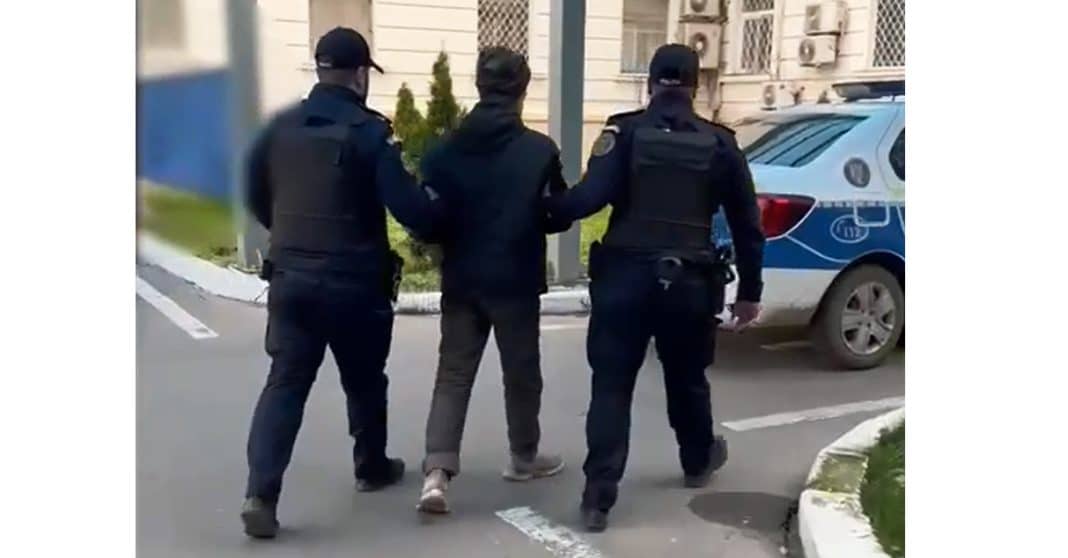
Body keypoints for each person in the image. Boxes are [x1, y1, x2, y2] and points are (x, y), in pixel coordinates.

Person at [543, 44, 766, 532]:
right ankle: (697, 459)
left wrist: (540, 209)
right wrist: (750, 292)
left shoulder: (623, 133)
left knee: (612, 385)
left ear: (649, 83)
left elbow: (586, 200)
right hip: (690, 283)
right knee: (687, 377)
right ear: (695, 85)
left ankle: (598, 498)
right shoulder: (721, 143)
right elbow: (748, 225)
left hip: (624, 279)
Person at [240, 27, 440, 539]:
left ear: (319, 69)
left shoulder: (279, 126)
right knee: (366, 379)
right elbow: (410, 208)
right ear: (359, 76)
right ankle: (371, 466)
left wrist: (285, 233)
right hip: (354, 282)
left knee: (285, 383)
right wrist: (441, 217)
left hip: (291, 278)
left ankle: (260, 494)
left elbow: (254, 192)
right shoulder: (371, 133)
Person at [414, 47, 570, 514]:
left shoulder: (443, 152)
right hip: (516, 281)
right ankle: (523, 457)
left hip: (462, 279)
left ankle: (437, 473)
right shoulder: (538, 151)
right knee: (521, 373)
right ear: (522, 89)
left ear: (478, 86)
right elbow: (557, 214)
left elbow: (429, 219)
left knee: (453, 374)